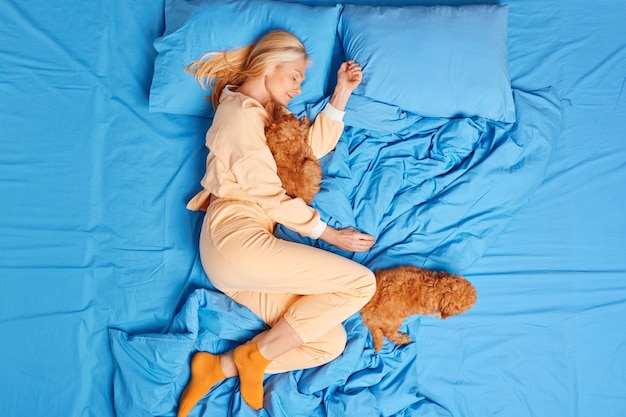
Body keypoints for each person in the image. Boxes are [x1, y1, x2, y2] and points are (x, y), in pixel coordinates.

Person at [178, 30, 376, 417]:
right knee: (361, 283)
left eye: (302, 81)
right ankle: (255, 357)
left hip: (244, 257)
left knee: (329, 342)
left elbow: (309, 152)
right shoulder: (237, 114)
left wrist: (342, 92)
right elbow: (268, 193)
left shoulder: (270, 116)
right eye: (295, 77)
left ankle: (216, 368)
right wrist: (330, 234)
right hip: (234, 236)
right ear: (269, 66)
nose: (299, 88)